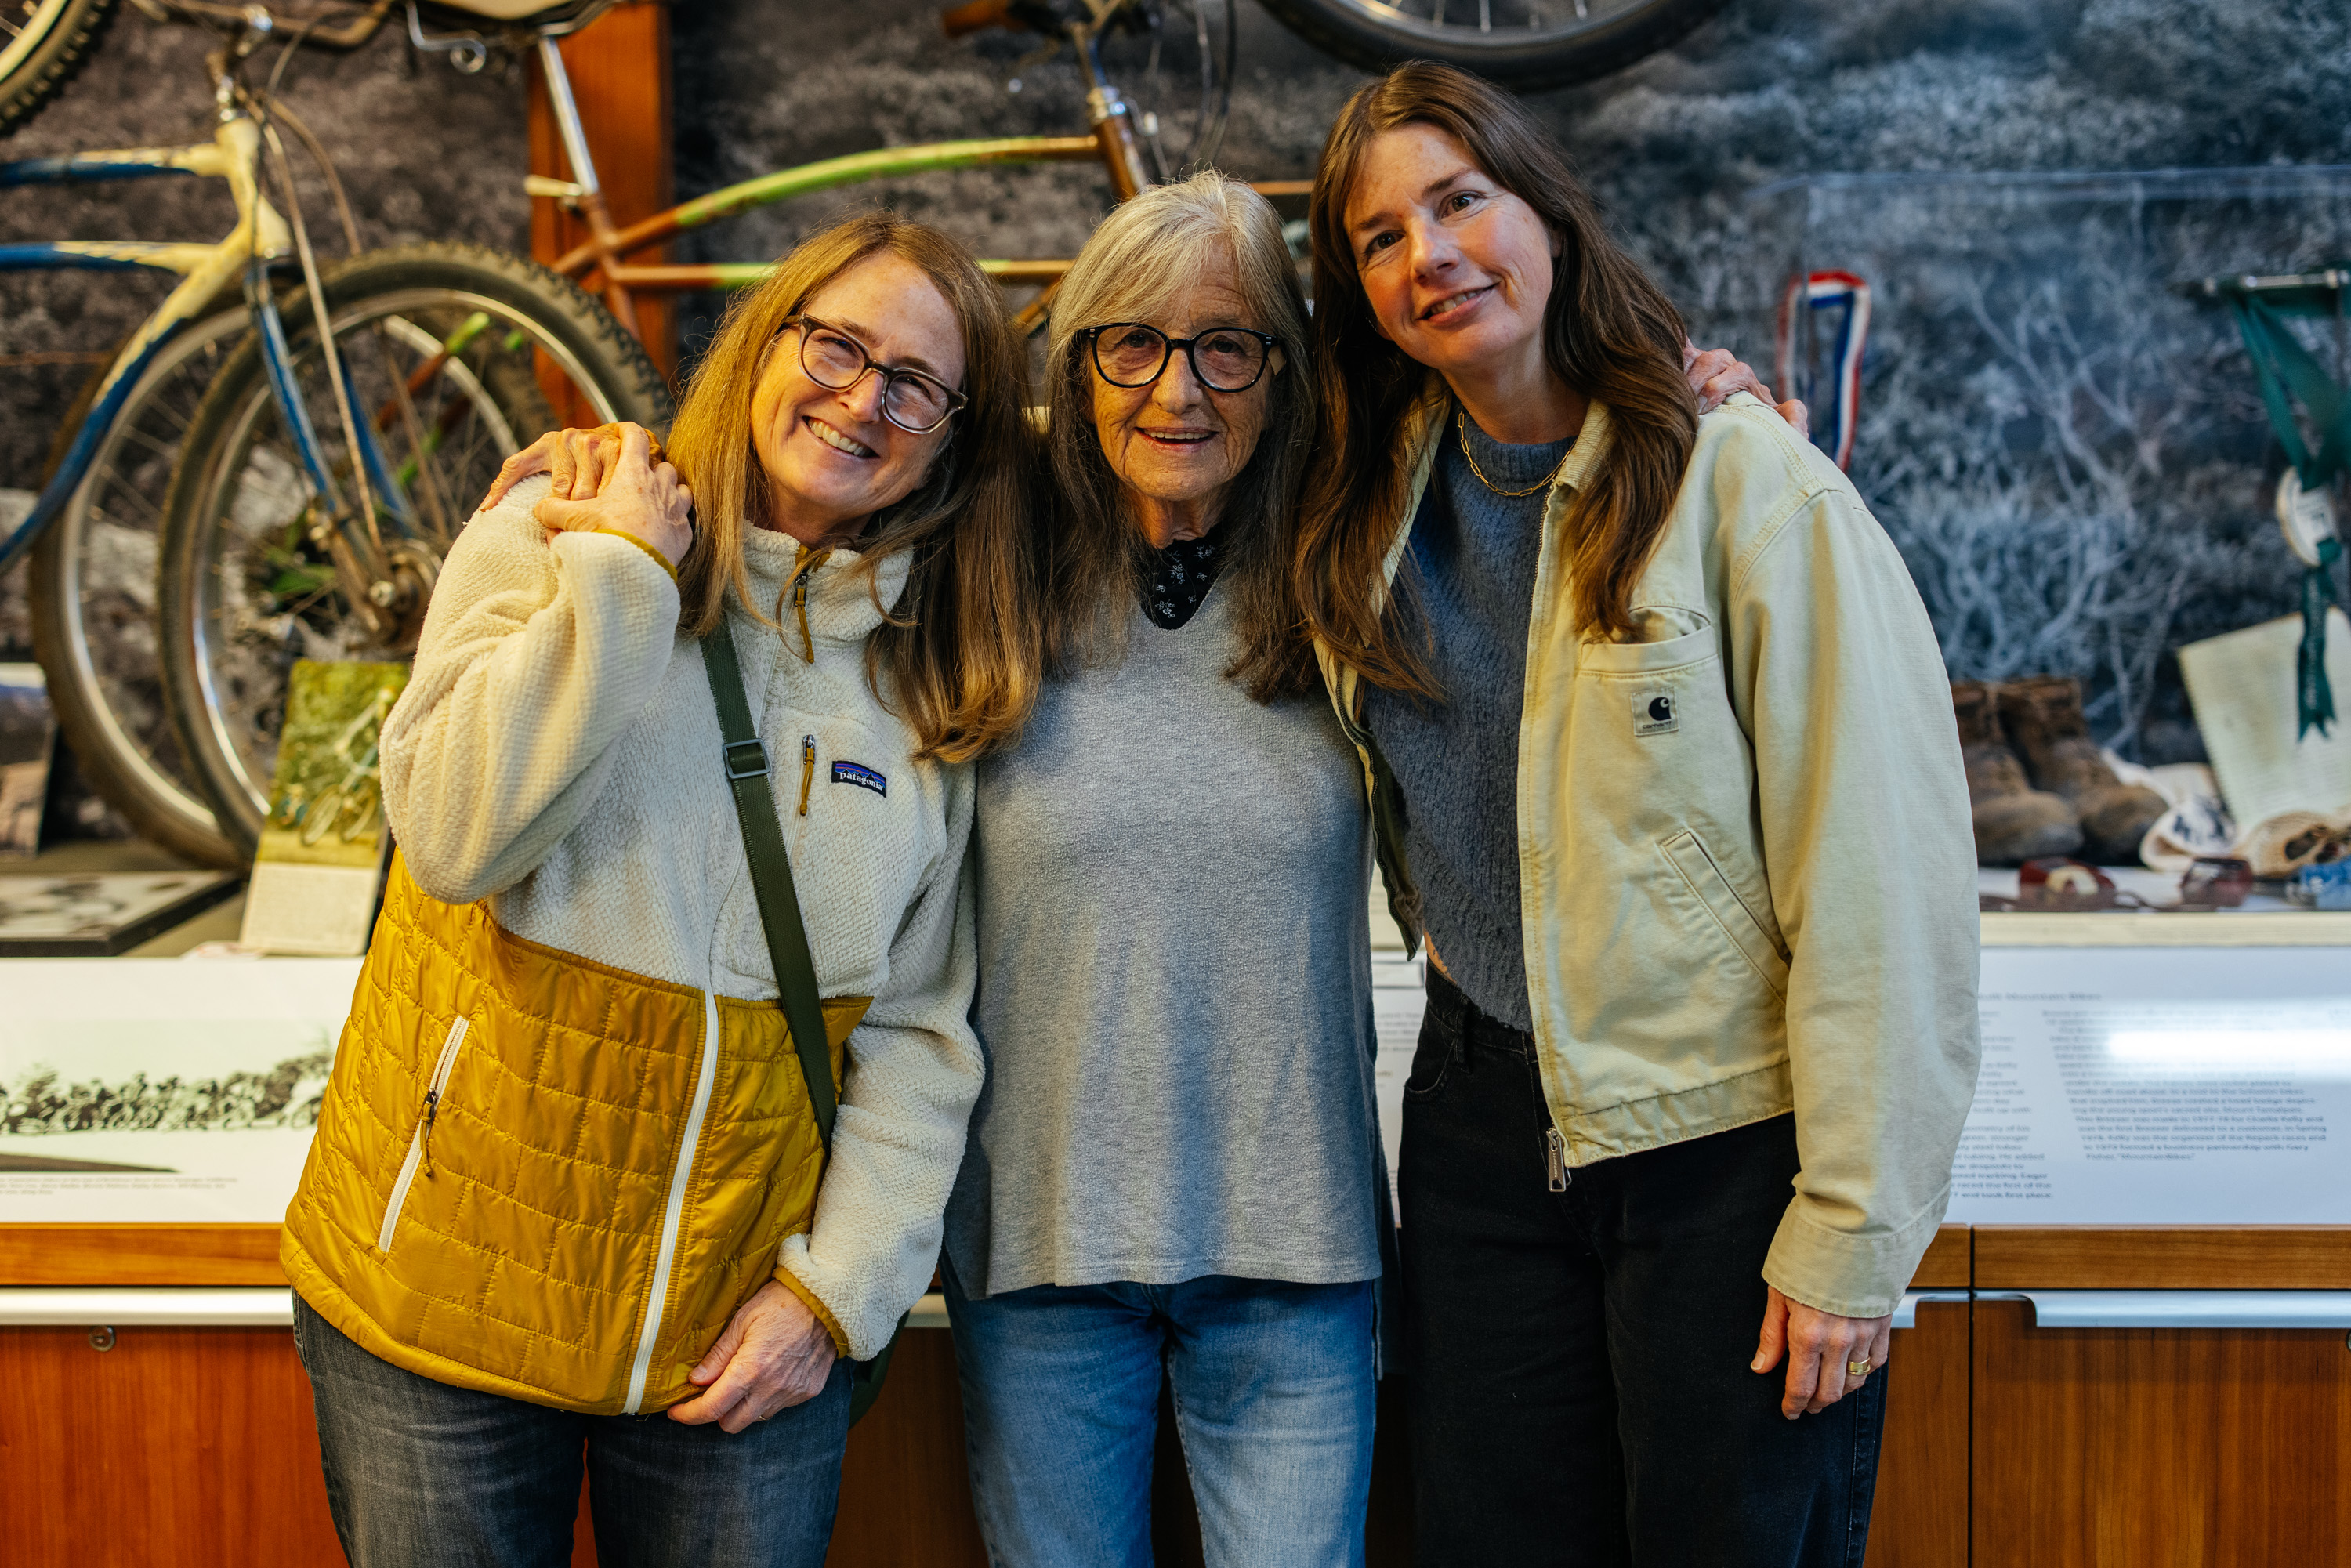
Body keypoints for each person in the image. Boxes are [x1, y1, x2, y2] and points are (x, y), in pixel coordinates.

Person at [1293, 63, 1982, 1566]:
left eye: (1461, 201)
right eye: (1380, 237)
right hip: (1477, 1123)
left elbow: (1880, 878)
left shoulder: (1741, 479)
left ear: (1547, 211)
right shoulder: (1364, 496)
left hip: (1719, 1134)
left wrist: (1853, 1229)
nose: (1430, 255)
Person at [277, 212, 1037, 1568]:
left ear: (952, 441)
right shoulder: (555, 523)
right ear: (765, 342)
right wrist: (624, 576)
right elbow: (450, 835)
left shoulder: (934, 679)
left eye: (916, 385)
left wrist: (834, 1295)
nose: (863, 398)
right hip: (441, 1290)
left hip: (730, 1338)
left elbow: (919, 1037)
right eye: (837, 345)